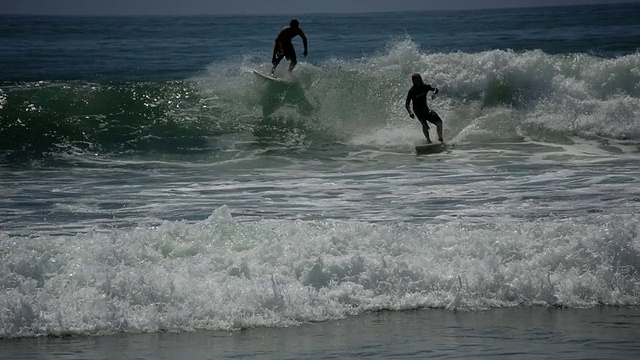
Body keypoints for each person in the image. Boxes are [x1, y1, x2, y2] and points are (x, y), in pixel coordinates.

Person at [405, 73, 444, 143]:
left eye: (418, 79)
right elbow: (407, 104)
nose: (417, 81)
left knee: (439, 122)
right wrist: (410, 112)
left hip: (426, 109)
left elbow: (435, 89)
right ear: (413, 81)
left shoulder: (425, 87)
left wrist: (434, 94)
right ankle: (428, 140)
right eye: (415, 80)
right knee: (424, 124)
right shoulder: (412, 91)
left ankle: (440, 138)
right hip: (417, 111)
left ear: (420, 79)